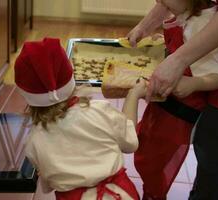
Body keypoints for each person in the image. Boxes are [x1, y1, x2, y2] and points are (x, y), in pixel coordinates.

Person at [14, 37, 145, 200]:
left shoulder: (34, 142)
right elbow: (130, 142)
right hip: (120, 194)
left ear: (28, 98)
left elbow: (48, 184)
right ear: (70, 78)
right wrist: (133, 95)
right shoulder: (99, 111)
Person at [127, 0, 218, 199]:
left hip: (181, 113)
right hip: (166, 106)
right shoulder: (183, 11)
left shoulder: (203, 25)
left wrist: (194, 83)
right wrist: (144, 27)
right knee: (148, 151)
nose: (158, 2)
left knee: (159, 159)